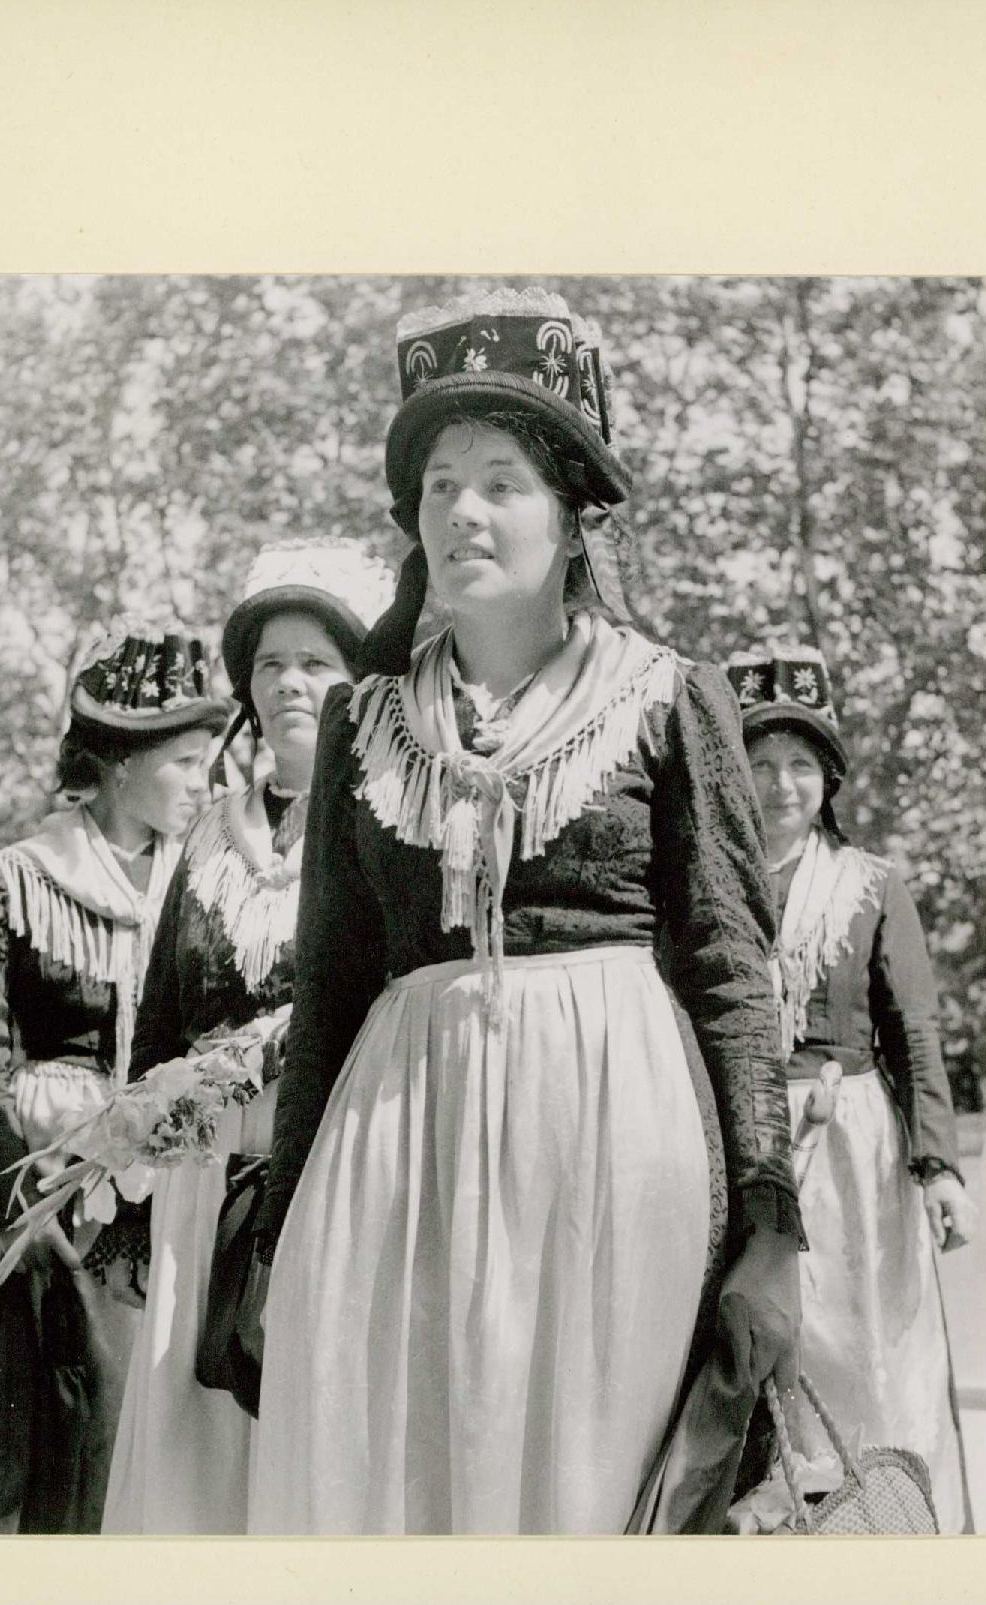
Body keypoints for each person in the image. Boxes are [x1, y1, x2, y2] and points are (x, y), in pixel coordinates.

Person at [245, 286, 803, 1535]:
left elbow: (728, 966)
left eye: (500, 481)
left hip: (614, 1153)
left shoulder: (666, 696)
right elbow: (329, 984)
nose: (462, 510)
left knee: (580, 1491)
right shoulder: (362, 722)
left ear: (570, 515)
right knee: (399, 1487)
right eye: (439, 484)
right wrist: (278, 1234)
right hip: (394, 1158)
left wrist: (772, 1229)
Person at [100, 538, 394, 1534]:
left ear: (358, 679)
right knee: (195, 1444)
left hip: (327, 1165)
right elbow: (158, 1017)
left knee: (304, 1432)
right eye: (270, 663)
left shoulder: (382, 822)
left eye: (315, 661)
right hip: (198, 1176)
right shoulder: (206, 834)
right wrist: (132, 1196)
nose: (288, 683)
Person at [0, 623, 229, 1534]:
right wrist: (19, 1205)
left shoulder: (210, 881)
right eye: (185, 762)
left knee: (153, 1432)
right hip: (43, 1191)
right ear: (120, 763)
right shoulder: (17, 880)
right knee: (43, 1433)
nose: (204, 782)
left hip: (169, 1190)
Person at [727, 642, 975, 1533]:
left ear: (827, 777)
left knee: (858, 1335)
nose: (780, 784)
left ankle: (879, 1511)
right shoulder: (712, 884)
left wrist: (938, 1166)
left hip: (848, 1144)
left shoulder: (870, 886)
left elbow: (914, 1034)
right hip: (740, 1131)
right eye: (760, 762)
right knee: (755, 1335)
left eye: (800, 763)